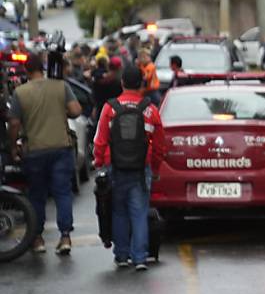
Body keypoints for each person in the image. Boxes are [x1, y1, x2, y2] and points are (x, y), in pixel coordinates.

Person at [6, 52, 82, 254]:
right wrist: (60, 111)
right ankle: (65, 237)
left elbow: (13, 123)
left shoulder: (20, 93)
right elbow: (76, 111)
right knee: (63, 193)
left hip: (35, 150)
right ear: (43, 68)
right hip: (60, 147)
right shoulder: (60, 86)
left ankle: (37, 239)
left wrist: (13, 147)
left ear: (27, 70)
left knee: (37, 195)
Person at [93, 67, 165, 270]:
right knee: (139, 212)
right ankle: (140, 258)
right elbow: (160, 145)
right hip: (142, 169)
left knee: (119, 211)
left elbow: (100, 140)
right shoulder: (150, 110)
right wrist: (156, 168)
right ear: (142, 84)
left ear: (122, 83)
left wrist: (99, 163)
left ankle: (122, 255)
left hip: (115, 166)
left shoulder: (110, 108)